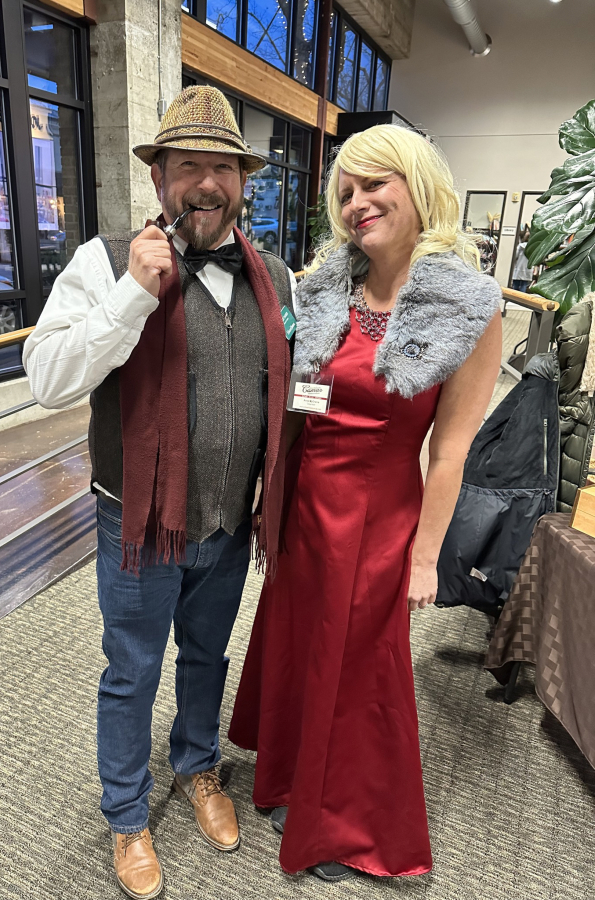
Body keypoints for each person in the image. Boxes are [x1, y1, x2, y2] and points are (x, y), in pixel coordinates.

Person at [23, 85, 296, 900]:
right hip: (137, 522)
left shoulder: (273, 274)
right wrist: (133, 295)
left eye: (221, 166)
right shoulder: (104, 263)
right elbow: (45, 379)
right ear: (157, 180)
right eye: (187, 167)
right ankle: (125, 815)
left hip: (227, 520)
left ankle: (196, 767)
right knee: (131, 668)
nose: (205, 183)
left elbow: (287, 390)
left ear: (243, 181)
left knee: (207, 654)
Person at [228, 125, 503, 882]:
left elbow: (448, 452)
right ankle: (291, 782)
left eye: (375, 183)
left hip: (378, 519)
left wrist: (423, 560)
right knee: (301, 647)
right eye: (345, 191)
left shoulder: (466, 307)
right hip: (304, 507)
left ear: (417, 186)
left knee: (359, 671)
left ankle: (345, 825)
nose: (357, 202)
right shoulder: (322, 287)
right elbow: (295, 407)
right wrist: (269, 502)